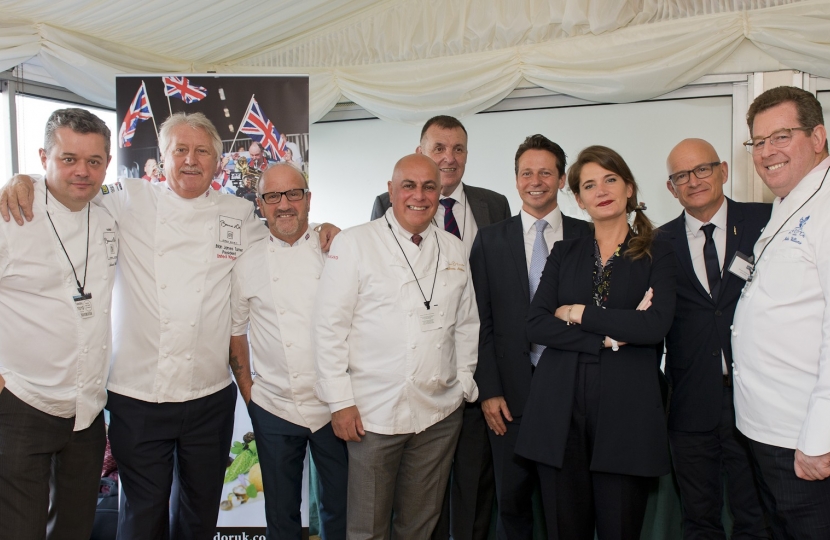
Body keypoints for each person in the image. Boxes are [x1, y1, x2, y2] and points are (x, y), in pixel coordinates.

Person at [314, 154, 479, 539]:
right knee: (367, 528)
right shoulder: (354, 243)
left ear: (440, 192)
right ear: (391, 190)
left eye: (429, 187)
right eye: (409, 185)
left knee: (419, 526)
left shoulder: (453, 247)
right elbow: (328, 328)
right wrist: (339, 402)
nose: (418, 196)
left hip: (439, 414)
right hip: (373, 415)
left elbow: (467, 323)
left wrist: (464, 381)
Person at [516, 145, 676, 539]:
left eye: (610, 179)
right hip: (559, 407)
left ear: (628, 188)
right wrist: (606, 337)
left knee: (620, 528)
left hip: (627, 409)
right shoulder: (564, 251)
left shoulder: (658, 251)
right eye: (589, 185)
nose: (601, 190)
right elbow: (535, 323)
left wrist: (578, 313)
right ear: (578, 199)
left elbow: (655, 325)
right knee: (564, 528)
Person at [371, 115, 508, 540]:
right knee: (418, 498)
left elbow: (493, 302)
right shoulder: (385, 202)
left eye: (458, 149)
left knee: (473, 486)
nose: (449, 158)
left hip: (470, 375)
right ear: (419, 152)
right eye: (439, 148)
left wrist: (479, 381)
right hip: (409, 381)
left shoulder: (495, 205)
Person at [0, 108, 116, 540]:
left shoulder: (108, 216)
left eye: (94, 161)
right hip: (21, 402)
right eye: (68, 159)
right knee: (19, 529)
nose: (82, 172)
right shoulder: (10, 217)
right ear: (42, 157)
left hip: (86, 410)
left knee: (73, 529)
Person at [469, 134, 590, 539]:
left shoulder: (587, 236)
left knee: (568, 511)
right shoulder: (489, 240)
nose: (535, 180)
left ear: (561, 179)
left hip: (571, 395)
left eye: (545, 172)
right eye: (526, 172)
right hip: (509, 402)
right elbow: (479, 323)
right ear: (516, 179)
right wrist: (489, 390)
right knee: (513, 509)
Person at [229, 163, 348, 539]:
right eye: (273, 196)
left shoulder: (338, 249)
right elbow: (236, 334)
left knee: (340, 506)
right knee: (280, 514)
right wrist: (250, 394)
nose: (284, 204)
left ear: (308, 200)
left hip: (335, 406)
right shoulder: (246, 264)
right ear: (260, 205)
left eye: (293, 194)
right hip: (275, 407)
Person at [732, 86, 830, 539]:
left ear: (818, 137)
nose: (767, 151)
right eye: (758, 141)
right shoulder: (787, 206)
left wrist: (820, 439)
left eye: (781, 136)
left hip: (804, 440)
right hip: (765, 430)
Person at [660, 138, 771, 539]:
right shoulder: (657, 243)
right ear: (671, 188)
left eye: (703, 169)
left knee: (755, 516)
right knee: (699, 519)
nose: (694, 181)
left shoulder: (766, 222)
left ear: (723, 170)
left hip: (755, 400)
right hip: (690, 404)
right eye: (681, 176)